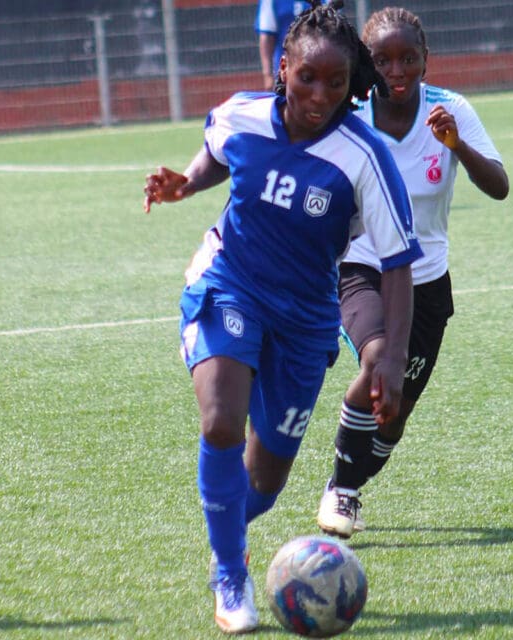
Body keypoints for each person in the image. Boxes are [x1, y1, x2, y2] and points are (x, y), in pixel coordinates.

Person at [143, 1, 421, 632]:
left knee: (263, 484)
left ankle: (229, 530)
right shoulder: (242, 112)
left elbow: (399, 262)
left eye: (336, 83)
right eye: (306, 78)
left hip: (305, 316)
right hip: (229, 282)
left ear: (353, 89)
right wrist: (186, 184)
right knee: (220, 421)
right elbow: (217, 147)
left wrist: (393, 357)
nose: (318, 94)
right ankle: (229, 575)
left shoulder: (363, 156)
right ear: (282, 69)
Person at [316, 6, 510, 539]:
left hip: (427, 281)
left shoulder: (451, 109)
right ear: (367, 63)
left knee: (391, 417)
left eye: (408, 59)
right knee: (380, 363)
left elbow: (499, 185)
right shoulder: (349, 115)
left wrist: (458, 146)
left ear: (427, 61)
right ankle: (342, 490)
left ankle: (350, 477)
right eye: (382, 61)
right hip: (363, 269)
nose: (396, 71)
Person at [255, 1, 323, 90]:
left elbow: (335, 29)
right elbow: (267, 37)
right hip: (286, 72)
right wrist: (267, 75)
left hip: (321, 69)